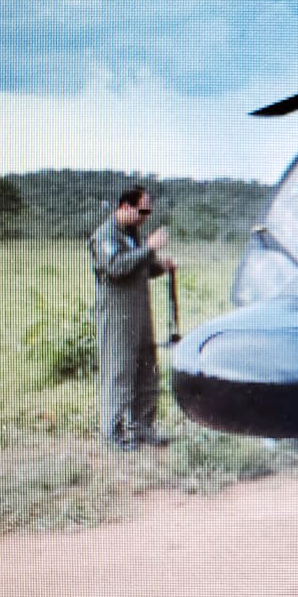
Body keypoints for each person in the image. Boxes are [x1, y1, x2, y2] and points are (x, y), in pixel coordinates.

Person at [88, 185, 175, 451]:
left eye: (148, 211)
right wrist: (149, 248)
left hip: (140, 314)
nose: (145, 217)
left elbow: (140, 269)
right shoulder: (104, 236)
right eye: (142, 210)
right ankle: (113, 433)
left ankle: (143, 427)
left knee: (147, 369)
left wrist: (161, 266)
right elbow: (116, 267)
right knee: (120, 372)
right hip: (117, 317)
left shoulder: (133, 235)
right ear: (125, 207)